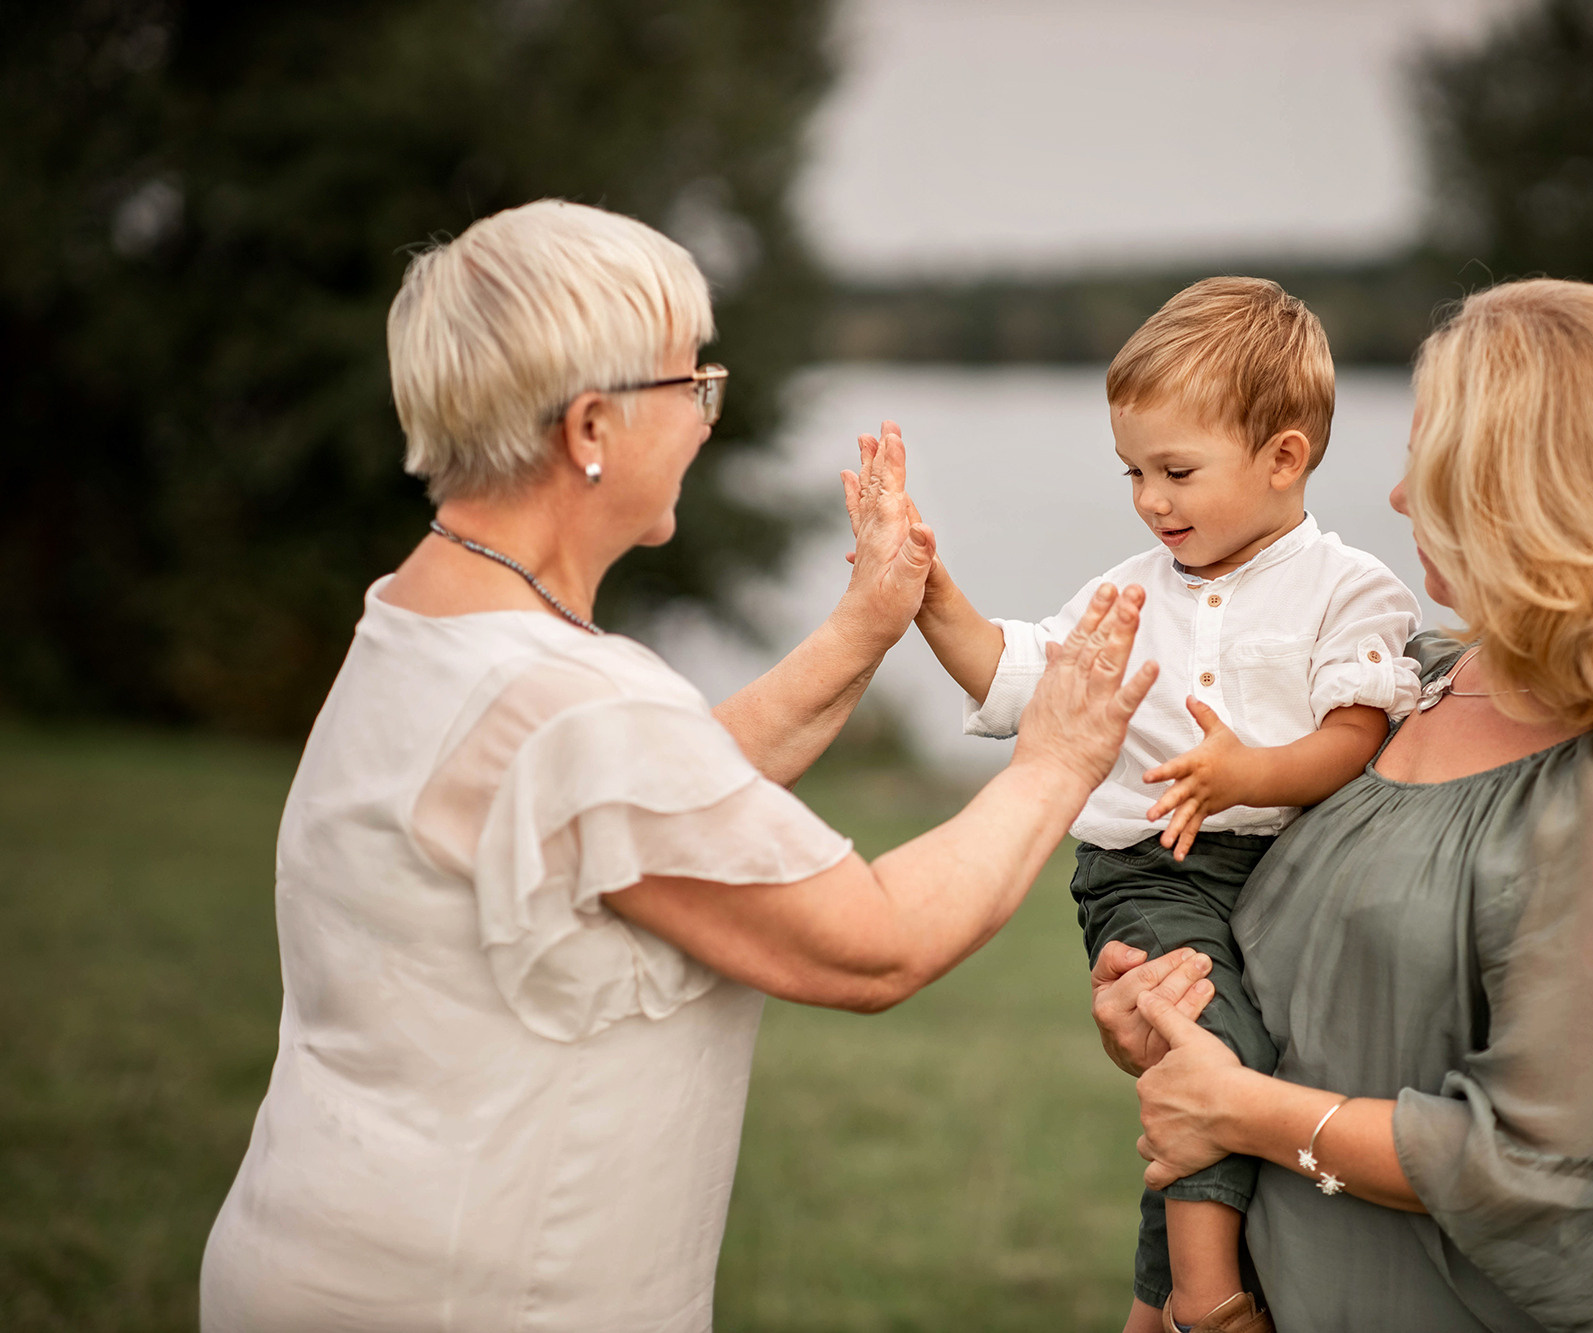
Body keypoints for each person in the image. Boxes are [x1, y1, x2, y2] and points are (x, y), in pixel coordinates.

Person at [198, 199, 1167, 1332]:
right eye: (690, 384)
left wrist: (866, 624)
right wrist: (1057, 759)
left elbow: (650, 802)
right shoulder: (578, 710)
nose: (708, 418)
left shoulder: (421, 623)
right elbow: (877, 944)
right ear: (590, 426)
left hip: (319, 1255)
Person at [1093, 278, 1593, 1331]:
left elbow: (1549, 1174)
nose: (1395, 499)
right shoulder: (1403, 681)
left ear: (1536, 497)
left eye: (1428, 465)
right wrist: (1161, 1013)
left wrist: (1243, 1111)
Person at [914, 277, 1423, 1333]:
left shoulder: (1350, 590)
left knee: (1256, 1076)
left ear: (1284, 457)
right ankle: (1208, 1300)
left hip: (1283, 875)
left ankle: (1154, 1312)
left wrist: (1248, 774)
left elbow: (1352, 734)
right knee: (1208, 1046)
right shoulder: (1129, 591)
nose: (1150, 499)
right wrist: (928, 593)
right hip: (1154, 867)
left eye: (1176, 471)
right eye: (1133, 471)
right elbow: (1016, 675)